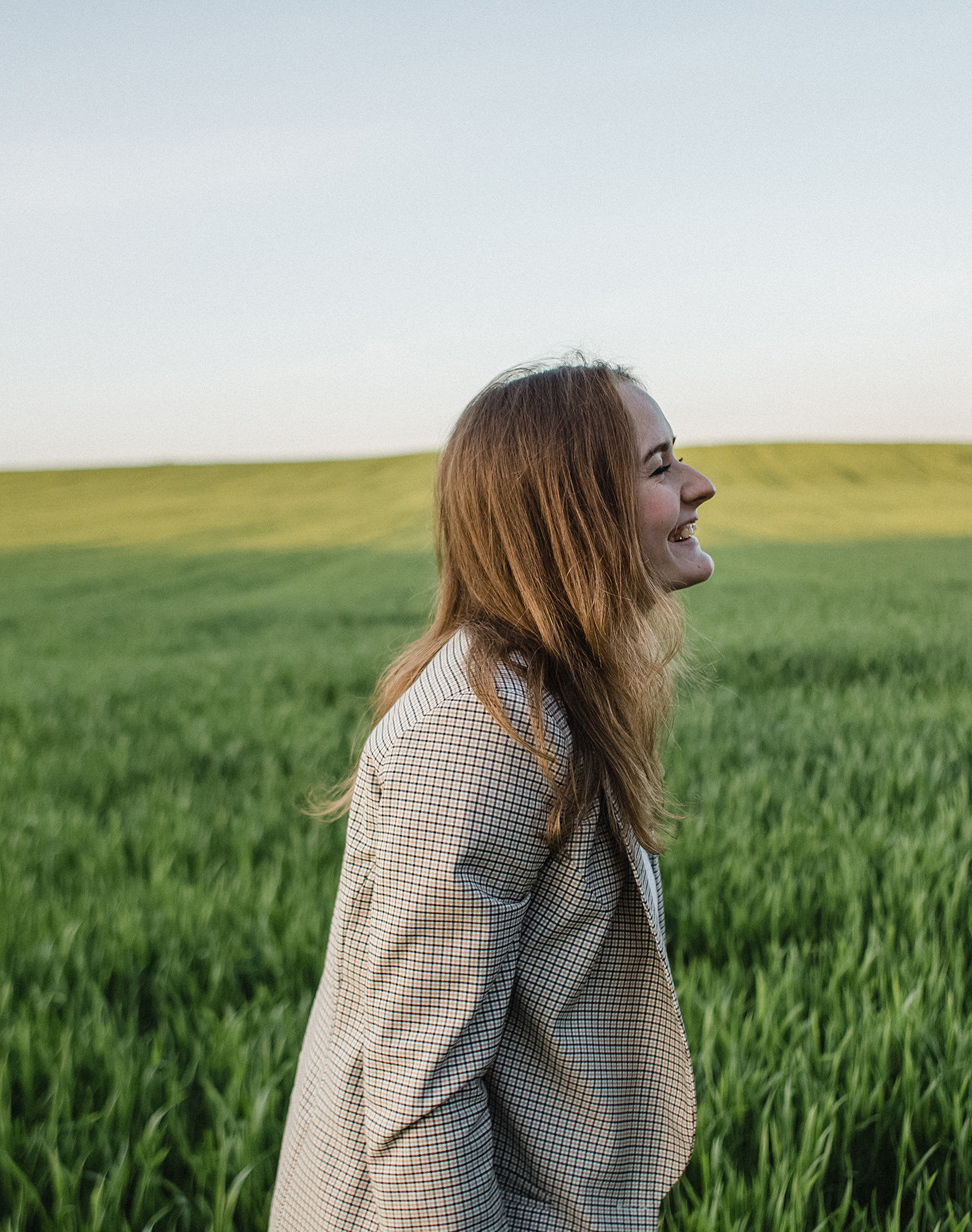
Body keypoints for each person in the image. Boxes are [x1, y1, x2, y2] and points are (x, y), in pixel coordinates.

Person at [270, 358, 713, 1230]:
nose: (699, 485)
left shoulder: (542, 698)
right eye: (659, 467)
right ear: (570, 511)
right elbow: (421, 1101)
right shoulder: (478, 736)